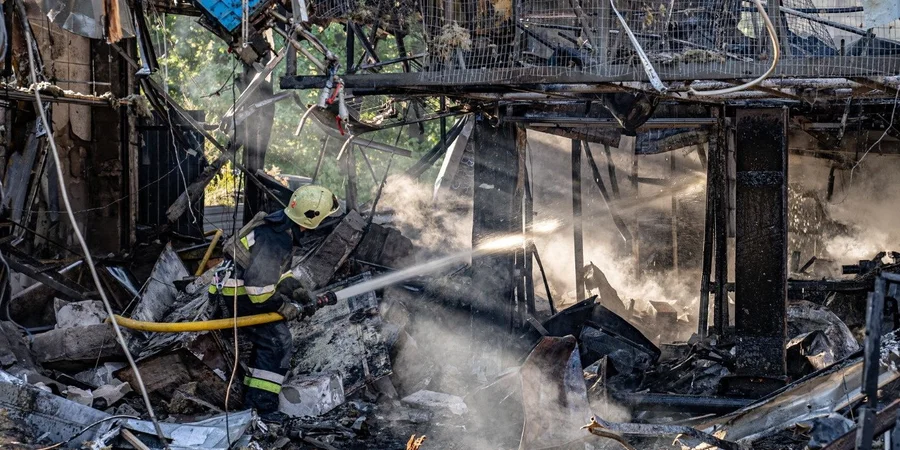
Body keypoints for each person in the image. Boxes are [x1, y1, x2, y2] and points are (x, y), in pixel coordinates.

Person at [209, 184, 341, 421]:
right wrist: (283, 307)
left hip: (231, 290)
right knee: (278, 342)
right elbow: (258, 290)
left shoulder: (280, 225)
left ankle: (252, 398)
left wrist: (296, 290)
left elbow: (276, 273)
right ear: (312, 219)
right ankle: (261, 408)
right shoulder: (276, 238)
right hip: (236, 297)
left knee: (267, 342)